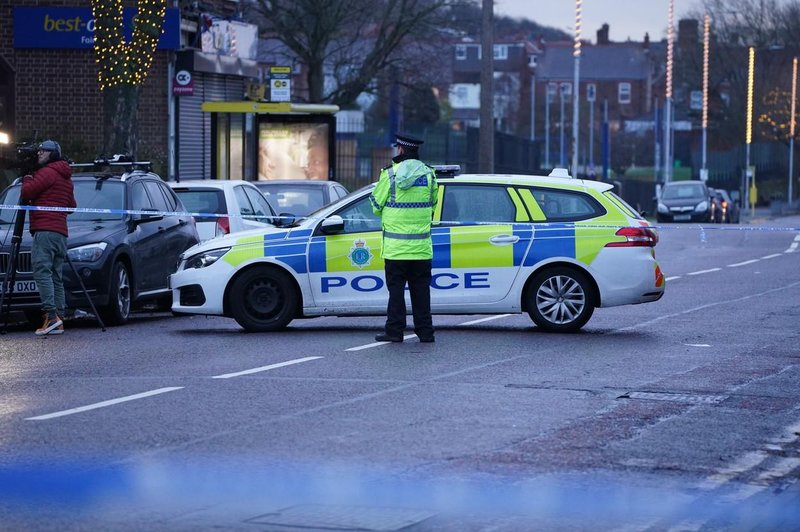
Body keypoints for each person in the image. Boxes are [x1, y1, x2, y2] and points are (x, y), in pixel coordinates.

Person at [369, 133, 438, 343]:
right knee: (421, 292)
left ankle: (395, 331)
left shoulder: (389, 175)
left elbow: (375, 206)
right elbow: (433, 205)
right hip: (421, 248)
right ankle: (425, 332)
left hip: (395, 248)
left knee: (396, 293)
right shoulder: (429, 175)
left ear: (400, 150)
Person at [21, 140, 76, 336]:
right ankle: (57, 320)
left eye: (44, 151)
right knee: (55, 275)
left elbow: (27, 192)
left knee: (42, 271)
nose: (39, 153)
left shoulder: (47, 172)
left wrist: (27, 177)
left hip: (44, 230)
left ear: (53, 154)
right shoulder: (65, 176)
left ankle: (51, 316)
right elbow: (71, 206)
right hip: (60, 232)